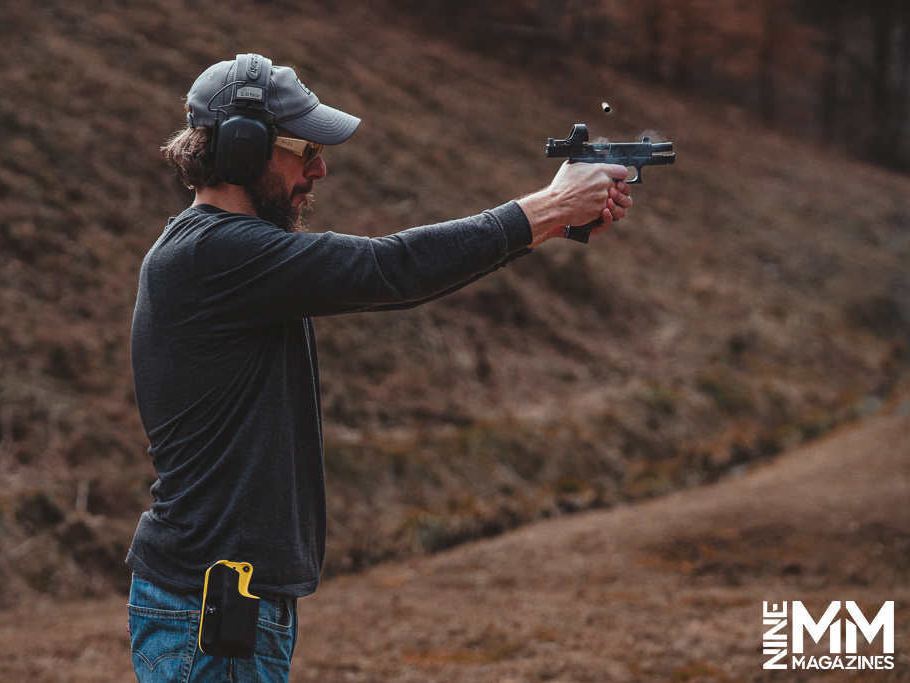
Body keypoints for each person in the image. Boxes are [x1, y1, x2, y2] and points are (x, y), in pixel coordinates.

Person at [125, 53, 632, 683]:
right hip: (214, 606)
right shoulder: (215, 255)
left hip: (226, 600)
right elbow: (392, 269)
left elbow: (401, 275)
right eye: (304, 148)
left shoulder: (219, 256)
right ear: (242, 149)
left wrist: (551, 218)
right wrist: (550, 208)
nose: (319, 168)